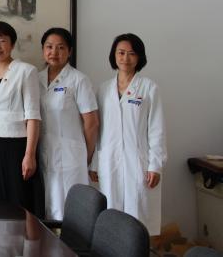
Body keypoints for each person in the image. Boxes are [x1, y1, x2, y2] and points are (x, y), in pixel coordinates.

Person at [90, 33, 166, 235]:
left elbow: (157, 129)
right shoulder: (103, 89)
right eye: (121, 53)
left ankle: (140, 249)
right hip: (109, 160)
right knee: (111, 213)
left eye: (132, 53)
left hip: (139, 162)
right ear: (114, 55)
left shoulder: (149, 88)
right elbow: (98, 129)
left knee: (137, 218)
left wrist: (155, 165)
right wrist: (95, 163)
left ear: (139, 57)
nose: (125, 58)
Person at [0, 21, 44, 217]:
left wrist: (30, 154)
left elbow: (33, 115)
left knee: (16, 196)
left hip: (15, 145)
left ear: (12, 44)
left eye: (2, 41)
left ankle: (19, 236)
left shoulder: (26, 71)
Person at [38, 28, 99, 220]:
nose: (54, 52)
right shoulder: (36, 79)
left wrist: (86, 155)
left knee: (69, 209)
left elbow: (92, 122)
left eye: (61, 47)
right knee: (48, 206)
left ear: (70, 51)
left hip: (71, 156)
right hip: (44, 153)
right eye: (49, 47)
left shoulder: (78, 80)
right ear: (43, 50)